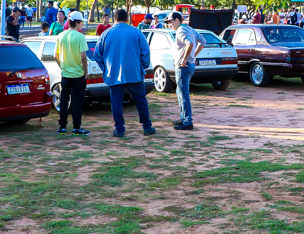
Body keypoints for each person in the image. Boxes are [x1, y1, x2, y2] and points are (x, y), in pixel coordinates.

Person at [92, 9, 155, 138]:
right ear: (127, 18)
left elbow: (97, 55)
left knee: (116, 102)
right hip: (134, 73)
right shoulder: (136, 32)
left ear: (114, 18)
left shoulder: (106, 34)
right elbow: (145, 52)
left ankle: (119, 129)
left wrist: (106, 69)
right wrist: (142, 66)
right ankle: (147, 127)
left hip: (114, 74)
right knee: (141, 100)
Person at [55, 11, 90, 136]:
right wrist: (86, 72)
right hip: (78, 74)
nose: (82, 25)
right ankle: (76, 127)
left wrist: (63, 67)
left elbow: (56, 55)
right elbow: (83, 57)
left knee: (64, 100)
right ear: (76, 23)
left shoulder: (60, 36)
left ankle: (62, 126)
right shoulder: (80, 37)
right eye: (81, 23)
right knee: (77, 101)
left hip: (66, 74)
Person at [168, 11, 203, 130]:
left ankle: (187, 121)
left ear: (177, 19)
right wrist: (193, 56)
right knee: (180, 92)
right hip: (190, 64)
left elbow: (190, 43)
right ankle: (183, 118)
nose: (170, 24)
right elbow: (202, 41)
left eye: (171, 21)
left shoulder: (181, 30)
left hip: (184, 66)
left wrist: (184, 58)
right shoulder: (190, 29)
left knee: (183, 94)